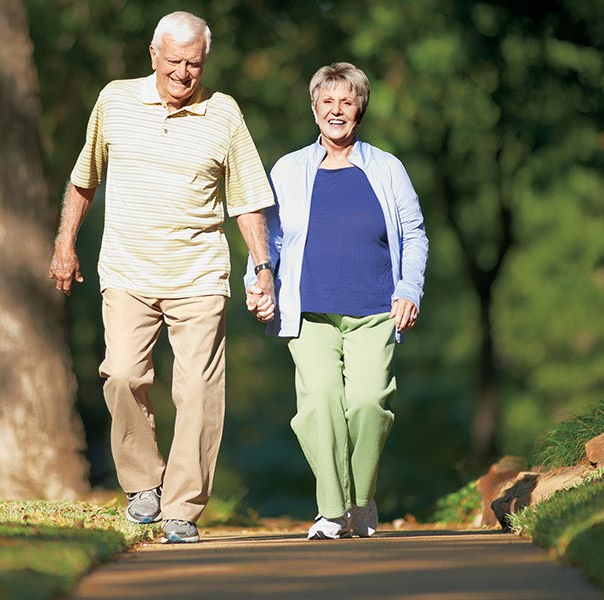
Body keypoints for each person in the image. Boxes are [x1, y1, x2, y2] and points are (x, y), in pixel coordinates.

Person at [49, 11, 275, 544]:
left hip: (199, 275)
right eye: (174, 61)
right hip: (127, 270)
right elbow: (85, 179)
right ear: (153, 54)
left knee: (197, 391)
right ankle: (143, 482)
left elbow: (246, 200)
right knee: (124, 375)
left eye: (194, 63)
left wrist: (262, 268)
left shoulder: (224, 114)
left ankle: (182, 508)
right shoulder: (115, 101)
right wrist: (64, 244)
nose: (183, 73)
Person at [246, 62, 428, 540]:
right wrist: (259, 282)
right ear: (313, 108)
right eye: (327, 101)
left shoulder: (388, 168)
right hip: (308, 312)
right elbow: (269, 235)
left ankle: (361, 501)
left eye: (346, 101)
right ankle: (331, 512)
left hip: (375, 309)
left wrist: (409, 289)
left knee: (368, 403)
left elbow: (414, 233)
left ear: (360, 109)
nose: (336, 110)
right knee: (321, 403)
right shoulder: (288, 169)